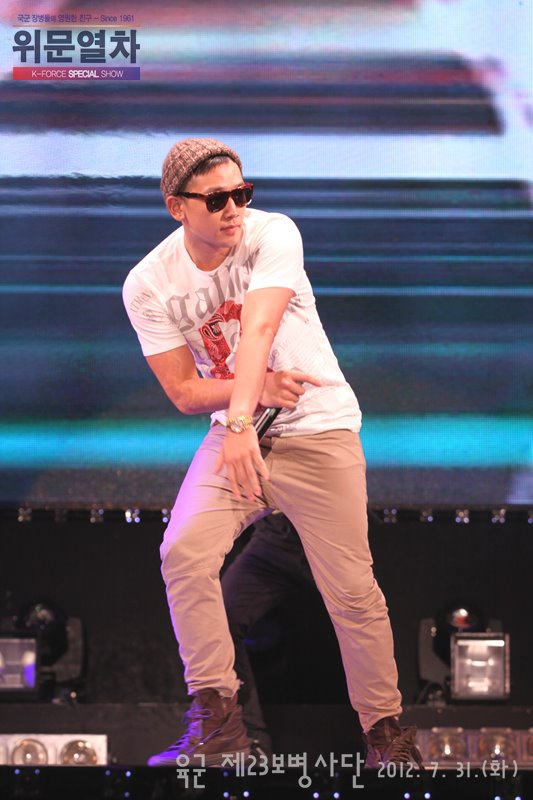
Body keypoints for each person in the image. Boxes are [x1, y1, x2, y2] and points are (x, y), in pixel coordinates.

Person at [122, 137, 423, 769]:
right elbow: (183, 392)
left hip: (317, 430)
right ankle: (219, 725)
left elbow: (259, 326)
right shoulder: (149, 283)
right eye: (216, 199)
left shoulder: (272, 233)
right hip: (238, 438)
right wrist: (250, 400)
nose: (234, 208)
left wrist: (240, 416)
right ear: (178, 207)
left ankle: (385, 736)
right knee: (183, 552)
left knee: (352, 592)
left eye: (241, 192)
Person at [221, 510, 315, 758]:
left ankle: (384, 740)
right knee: (218, 620)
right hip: (275, 534)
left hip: (330, 532)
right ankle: (248, 742)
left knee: (364, 621)